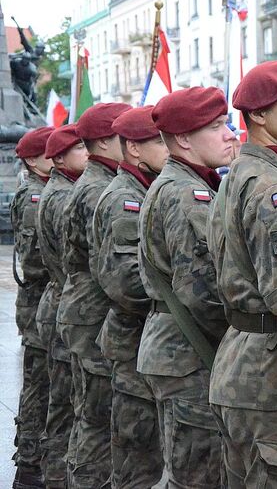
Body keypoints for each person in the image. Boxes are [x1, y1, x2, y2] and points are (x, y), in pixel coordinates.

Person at [208, 61, 277, 486]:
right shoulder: (273, 187)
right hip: (268, 375)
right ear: (258, 115)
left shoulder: (243, 173)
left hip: (242, 364)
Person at [137, 87, 235, 488]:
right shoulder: (184, 193)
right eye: (216, 127)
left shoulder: (182, 184)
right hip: (188, 353)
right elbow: (201, 292)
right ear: (183, 140)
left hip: (179, 350)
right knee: (196, 476)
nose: (231, 133)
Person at [91, 106, 167, 488]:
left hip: (138, 341)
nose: (168, 147)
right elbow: (127, 283)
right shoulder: (125, 198)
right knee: (138, 459)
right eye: (159, 141)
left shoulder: (142, 188)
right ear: (134, 150)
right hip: (131, 340)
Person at [58, 102, 130, 488]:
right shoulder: (98, 189)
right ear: (105, 141)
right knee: (96, 420)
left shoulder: (92, 182)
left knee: (90, 414)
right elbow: (107, 267)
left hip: (85, 308)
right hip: (92, 312)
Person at [35, 125, 88, 489]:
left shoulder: (60, 190)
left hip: (61, 302)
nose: (86, 153)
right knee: (67, 409)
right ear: (59, 158)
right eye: (79, 148)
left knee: (66, 406)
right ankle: (54, 478)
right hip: (67, 307)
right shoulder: (61, 197)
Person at [11, 126, 54, 489]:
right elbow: (34, 260)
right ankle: (29, 463)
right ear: (30, 159)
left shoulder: (40, 191)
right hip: (38, 301)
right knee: (39, 386)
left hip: (41, 301)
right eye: (46, 153)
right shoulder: (34, 197)